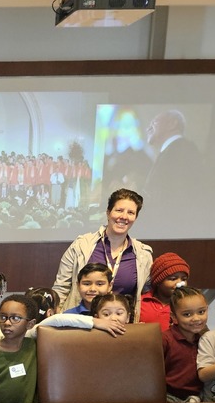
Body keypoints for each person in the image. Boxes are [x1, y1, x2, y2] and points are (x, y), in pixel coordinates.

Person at [52, 188, 153, 320]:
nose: (124, 216)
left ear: (135, 217)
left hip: (120, 327)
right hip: (80, 324)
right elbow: (61, 288)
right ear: (108, 212)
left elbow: (145, 294)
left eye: (131, 212)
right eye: (119, 210)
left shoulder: (143, 254)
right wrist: (58, 320)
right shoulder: (81, 245)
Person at [143, 110, 205, 236]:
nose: (148, 128)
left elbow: (178, 196)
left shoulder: (182, 151)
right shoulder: (171, 151)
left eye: (154, 122)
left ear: (172, 124)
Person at [162, 286, 209, 402]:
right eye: (187, 314)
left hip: (200, 396)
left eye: (201, 312)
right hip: (170, 397)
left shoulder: (207, 338)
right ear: (174, 317)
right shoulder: (165, 339)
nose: (196, 318)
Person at [0, 295, 39, 403]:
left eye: (15, 318)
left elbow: (56, 321)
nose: (7, 323)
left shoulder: (33, 347)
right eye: (3, 317)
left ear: (30, 324)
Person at [139, 253, 190, 331]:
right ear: (158, 282)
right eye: (173, 279)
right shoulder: (140, 302)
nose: (180, 283)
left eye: (184, 279)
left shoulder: (188, 304)